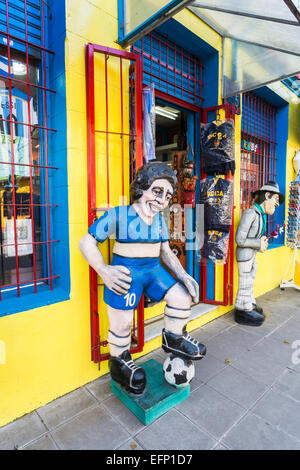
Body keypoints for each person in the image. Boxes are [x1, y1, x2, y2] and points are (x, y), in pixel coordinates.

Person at [79, 162, 206, 395]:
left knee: (182, 296)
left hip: (153, 271)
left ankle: (174, 338)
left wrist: (184, 275)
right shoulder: (118, 214)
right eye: (157, 191)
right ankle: (119, 363)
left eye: (167, 196)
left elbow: (166, 252)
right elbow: (86, 242)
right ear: (142, 188)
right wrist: (104, 270)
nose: (162, 200)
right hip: (126, 273)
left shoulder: (159, 220)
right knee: (123, 323)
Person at [234, 181, 284, 326]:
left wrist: (261, 241)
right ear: (267, 196)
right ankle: (243, 308)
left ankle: (249, 303)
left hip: (251, 253)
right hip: (244, 255)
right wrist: (258, 243)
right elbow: (240, 239)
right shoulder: (251, 213)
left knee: (251, 278)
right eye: (275, 200)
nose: (276, 205)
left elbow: (253, 235)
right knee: (245, 280)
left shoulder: (260, 215)